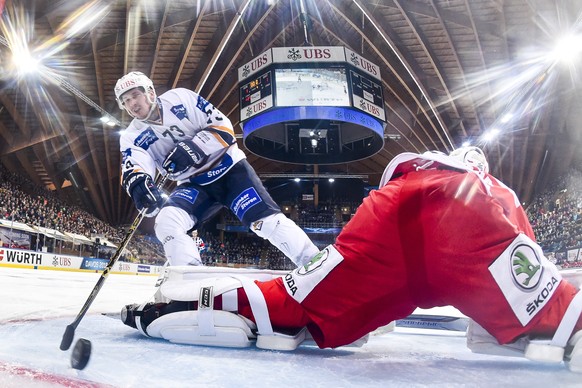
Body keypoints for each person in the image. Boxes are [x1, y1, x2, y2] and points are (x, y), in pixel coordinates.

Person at [121, 146, 582, 371]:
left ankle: (182, 305)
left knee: (287, 310)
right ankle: (520, 326)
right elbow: (524, 250)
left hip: (397, 209)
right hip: (462, 206)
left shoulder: (420, 174)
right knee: (561, 318)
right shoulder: (493, 186)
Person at [115, 71, 318, 267]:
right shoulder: (131, 136)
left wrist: (194, 148)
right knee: (167, 222)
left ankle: (314, 263)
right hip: (193, 184)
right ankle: (190, 277)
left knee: (266, 223)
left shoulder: (180, 98)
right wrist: (139, 186)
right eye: (125, 101)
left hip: (230, 170)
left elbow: (224, 126)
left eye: (135, 95)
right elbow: (135, 166)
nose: (132, 103)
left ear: (150, 92)